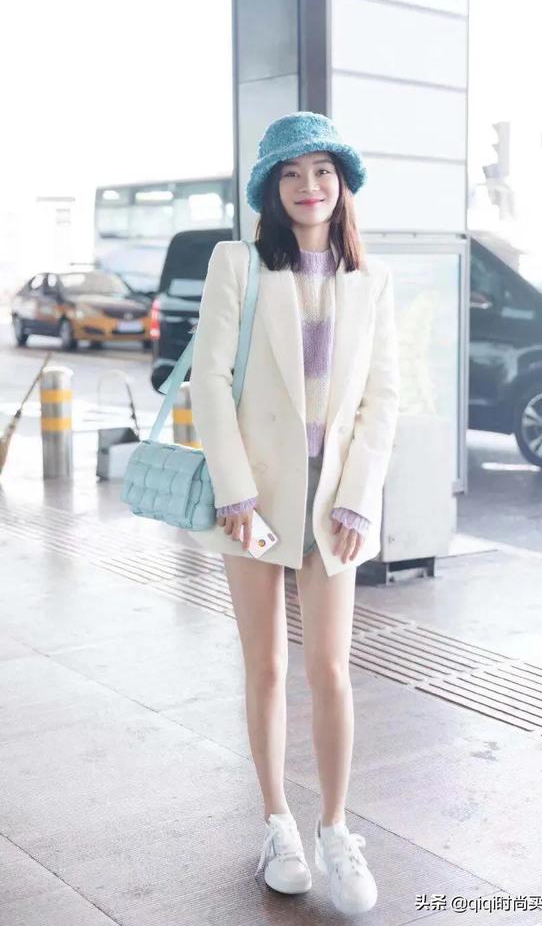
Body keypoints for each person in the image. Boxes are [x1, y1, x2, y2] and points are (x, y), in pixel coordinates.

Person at [187, 111, 400, 916]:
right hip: (255, 498)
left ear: (343, 185)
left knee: (331, 670)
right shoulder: (238, 264)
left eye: (322, 172)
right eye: (291, 173)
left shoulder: (372, 281)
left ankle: (337, 829)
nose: (309, 186)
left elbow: (383, 398)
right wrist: (235, 493)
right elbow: (210, 381)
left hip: (334, 503)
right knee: (268, 666)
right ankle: (279, 824)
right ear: (271, 189)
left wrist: (359, 500)